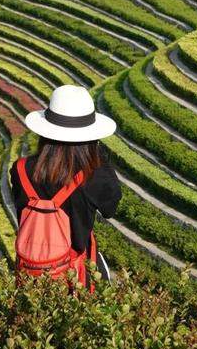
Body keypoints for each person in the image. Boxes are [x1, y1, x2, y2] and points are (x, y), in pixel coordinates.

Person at [10, 85, 122, 290]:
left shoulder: (21, 170)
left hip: (31, 273)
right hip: (76, 274)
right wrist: (100, 157)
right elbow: (110, 209)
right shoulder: (96, 175)